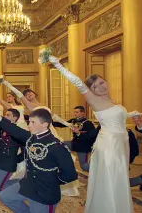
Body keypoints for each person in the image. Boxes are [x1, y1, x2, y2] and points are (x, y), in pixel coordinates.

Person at [44, 52, 136, 212]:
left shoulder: (110, 100)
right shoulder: (94, 100)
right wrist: (58, 65)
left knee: (119, 178)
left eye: (101, 83)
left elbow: (113, 117)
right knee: (110, 179)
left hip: (120, 142)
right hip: (109, 145)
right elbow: (78, 83)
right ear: (91, 91)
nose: (101, 87)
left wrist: (130, 114)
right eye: (95, 87)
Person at [0, 108, 77, 213]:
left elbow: (70, 175)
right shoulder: (31, 138)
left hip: (45, 192)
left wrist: (51, 181)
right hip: (28, 184)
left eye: (33, 122)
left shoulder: (57, 146)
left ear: (45, 124)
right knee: (5, 197)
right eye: (29, 122)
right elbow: (12, 128)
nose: (29, 125)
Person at [52, 106, 96, 171]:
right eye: (74, 112)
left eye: (77, 112)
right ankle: (64, 163)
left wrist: (79, 133)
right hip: (74, 143)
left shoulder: (88, 123)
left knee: (84, 167)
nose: (75, 114)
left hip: (83, 146)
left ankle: (97, 168)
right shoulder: (73, 121)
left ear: (83, 113)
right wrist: (50, 122)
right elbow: (62, 124)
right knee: (59, 144)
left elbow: (91, 136)